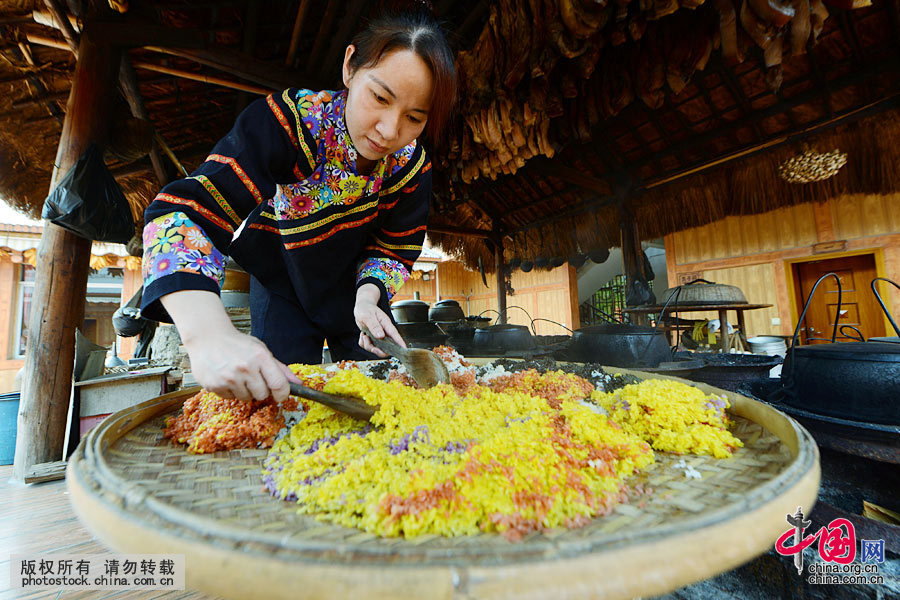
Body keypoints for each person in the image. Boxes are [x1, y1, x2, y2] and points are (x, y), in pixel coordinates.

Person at [139, 8, 456, 404]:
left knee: (389, 399)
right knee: (277, 400)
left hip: (356, 296)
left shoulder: (410, 166)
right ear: (349, 67)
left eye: (413, 117)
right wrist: (207, 335)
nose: (390, 131)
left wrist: (370, 294)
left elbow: (395, 246)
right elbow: (185, 212)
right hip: (281, 281)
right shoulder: (293, 123)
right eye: (379, 97)